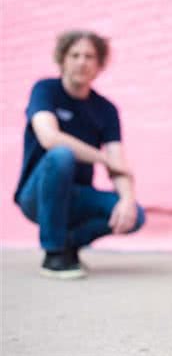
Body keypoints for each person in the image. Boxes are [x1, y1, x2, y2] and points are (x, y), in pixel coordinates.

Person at [14, 30, 145, 279]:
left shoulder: (106, 109)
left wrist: (127, 198)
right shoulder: (45, 90)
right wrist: (103, 158)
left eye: (89, 56)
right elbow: (49, 138)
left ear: (98, 65)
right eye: (75, 55)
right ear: (62, 60)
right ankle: (53, 255)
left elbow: (118, 163)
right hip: (36, 196)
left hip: (76, 197)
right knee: (61, 155)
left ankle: (68, 245)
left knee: (135, 215)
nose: (82, 62)